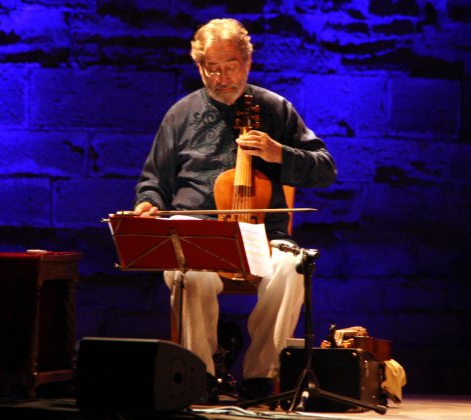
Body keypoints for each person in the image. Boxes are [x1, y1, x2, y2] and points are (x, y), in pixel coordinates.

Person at [133, 18, 337, 404]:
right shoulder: (180, 114)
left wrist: (281, 154)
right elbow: (154, 179)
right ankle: (200, 375)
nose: (222, 77)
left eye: (230, 66)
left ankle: (262, 376)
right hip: (199, 229)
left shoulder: (275, 109)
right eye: (212, 68)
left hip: (263, 235)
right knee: (186, 272)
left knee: (293, 269)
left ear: (247, 63)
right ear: (199, 66)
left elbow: (325, 167)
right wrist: (148, 203)